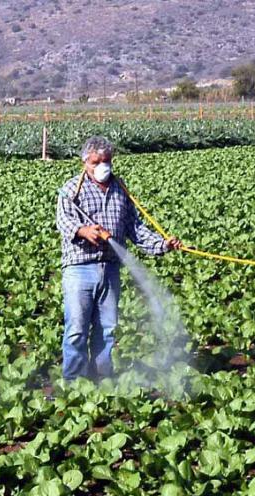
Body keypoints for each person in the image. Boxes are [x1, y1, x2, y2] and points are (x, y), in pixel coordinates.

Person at [55, 136, 183, 381]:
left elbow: (134, 228)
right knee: (76, 330)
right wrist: (84, 231)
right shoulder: (72, 189)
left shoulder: (120, 188)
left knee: (107, 329)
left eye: (107, 161)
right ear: (85, 163)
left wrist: (163, 244)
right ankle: (72, 383)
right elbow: (64, 221)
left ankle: (102, 378)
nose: (103, 166)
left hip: (111, 267)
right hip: (80, 267)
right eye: (96, 162)